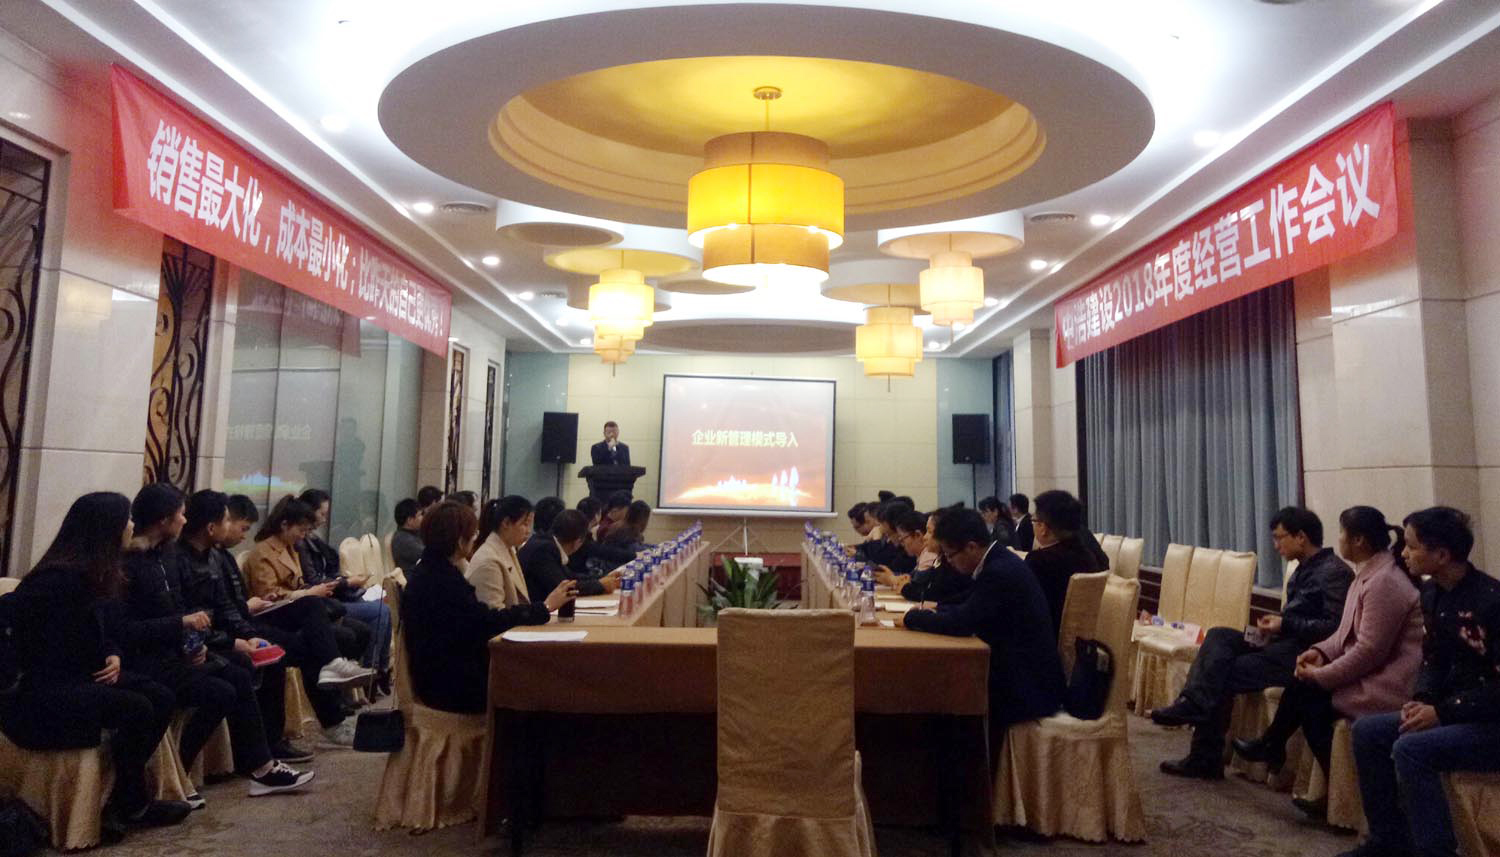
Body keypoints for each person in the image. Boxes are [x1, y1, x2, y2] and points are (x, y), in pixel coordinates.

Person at [0, 492, 192, 835]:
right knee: (137, 708)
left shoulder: (98, 573)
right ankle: (126, 803)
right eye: (126, 520)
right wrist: (98, 655)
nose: (132, 525)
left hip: (83, 675)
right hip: (46, 686)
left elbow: (105, 630)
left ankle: (127, 798)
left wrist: (112, 653)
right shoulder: (56, 580)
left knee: (161, 696)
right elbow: (37, 642)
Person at [120, 483, 313, 799]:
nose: (184, 520)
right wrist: (205, 639)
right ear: (164, 520)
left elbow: (202, 609)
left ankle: (251, 764)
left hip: (180, 647)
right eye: (180, 514)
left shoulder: (170, 557)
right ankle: (174, 779)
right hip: (149, 658)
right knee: (228, 681)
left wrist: (201, 642)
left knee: (242, 673)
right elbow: (140, 624)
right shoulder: (140, 563)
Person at [1232, 507, 1422, 819]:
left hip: (1387, 683)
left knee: (1309, 696)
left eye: (1343, 533)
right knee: (1305, 690)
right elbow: (1342, 634)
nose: (1339, 539)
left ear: (1359, 540)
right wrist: (1319, 653)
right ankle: (1322, 784)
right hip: (1369, 673)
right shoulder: (1368, 574)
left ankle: (1339, 793)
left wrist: (1324, 675)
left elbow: (1369, 651)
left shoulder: (1384, 582)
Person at [1339, 507, 1500, 857]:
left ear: (1441, 555)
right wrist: (1423, 697)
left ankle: (1435, 851)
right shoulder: (1431, 594)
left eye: (1412, 547)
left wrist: (1443, 712)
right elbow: (1433, 659)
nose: (1403, 553)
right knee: (1367, 731)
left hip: (1490, 723)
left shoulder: (1491, 601)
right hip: (1453, 712)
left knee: (1411, 749)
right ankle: (1387, 840)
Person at [1152, 506, 1354, 780]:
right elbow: (1299, 617)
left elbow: (1335, 628)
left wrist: (1285, 624)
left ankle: (1204, 753)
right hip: (1283, 643)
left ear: (1301, 537)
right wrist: (1275, 627)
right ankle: (1194, 705)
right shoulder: (1304, 570)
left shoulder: (1333, 573)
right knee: (1220, 635)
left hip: (1303, 654)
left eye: (1279, 538)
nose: (1276, 546)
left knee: (1219, 672)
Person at [898, 508, 1064, 759]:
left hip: (1027, 686)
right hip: (1017, 671)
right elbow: (966, 604)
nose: (949, 561)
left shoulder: (999, 571)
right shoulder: (996, 561)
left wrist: (913, 617)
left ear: (971, 547)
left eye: (950, 555)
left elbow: (962, 622)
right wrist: (933, 610)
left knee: (941, 698)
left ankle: (963, 775)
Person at [218, 494, 369, 750]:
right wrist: (305, 593)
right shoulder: (259, 553)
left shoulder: (288, 550)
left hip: (261, 617)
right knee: (312, 628)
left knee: (324, 636)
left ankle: (332, 709)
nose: (244, 535)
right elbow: (246, 601)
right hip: (257, 619)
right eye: (241, 527)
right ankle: (322, 715)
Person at [401, 502, 576, 713]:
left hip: (441, 671)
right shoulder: (441, 580)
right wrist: (544, 608)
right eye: (472, 534)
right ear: (460, 541)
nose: (476, 537)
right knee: (542, 683)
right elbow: (486, 622)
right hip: (449, 683)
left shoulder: (433, 569)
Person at [244, 496, 370, 666]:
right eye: (301, 531)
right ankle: (333, 668)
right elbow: (268, 595)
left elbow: (300, 581)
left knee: (362, 630)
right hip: (275, 614)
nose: (303, 536)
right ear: (284, 525)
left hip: (296, 611)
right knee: (342, 634)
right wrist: (308, 592)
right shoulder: (262, 553)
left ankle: (342, 673)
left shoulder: (291, 548)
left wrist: (315, 590)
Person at [296, 488, 392, 682]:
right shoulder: (301, 544)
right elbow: (314, 581)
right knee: (381, 612)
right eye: (322, 514)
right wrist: (346, 582)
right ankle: (372, 670)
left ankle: (378, 669)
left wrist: (345, 580)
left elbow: (326, 571)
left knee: (383, 609)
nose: (324, 519)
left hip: (334, 598)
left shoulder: (312, 539)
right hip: (326, 602)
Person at [1022, 490, 1106, 634]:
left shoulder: (1039, 561)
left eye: (1034, 521)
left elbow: (1024, 608)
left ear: (1043, 528)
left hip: (1046, 639)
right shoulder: (1088, 556)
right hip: (1081, 640)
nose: (1033, 525)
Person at [879, 508, 974, 606]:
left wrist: (903, 586)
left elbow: (934, 595)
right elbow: (928, 588)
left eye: (929, 532)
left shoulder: (949, 563)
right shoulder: (940, 560)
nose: (925, 537)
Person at [520, 509, 621, 599]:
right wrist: (600, 585)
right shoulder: (543, 550)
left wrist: (604, 578)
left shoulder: (546, 542)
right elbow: (563, 589)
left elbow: (570, 576)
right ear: (578, 542)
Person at [467, 495, 537, 609]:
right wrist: (545, 607)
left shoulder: (508, 549)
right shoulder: (489, 561)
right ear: (506, 523)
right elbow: (494, 613)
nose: (528, 531)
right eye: (525, 524)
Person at [391, 498, 424, 574]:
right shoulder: (403, 540)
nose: (423, 518)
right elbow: (429, 556)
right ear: (409, 520)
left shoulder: (414, 534)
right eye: (420, 515)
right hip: (411, 578)